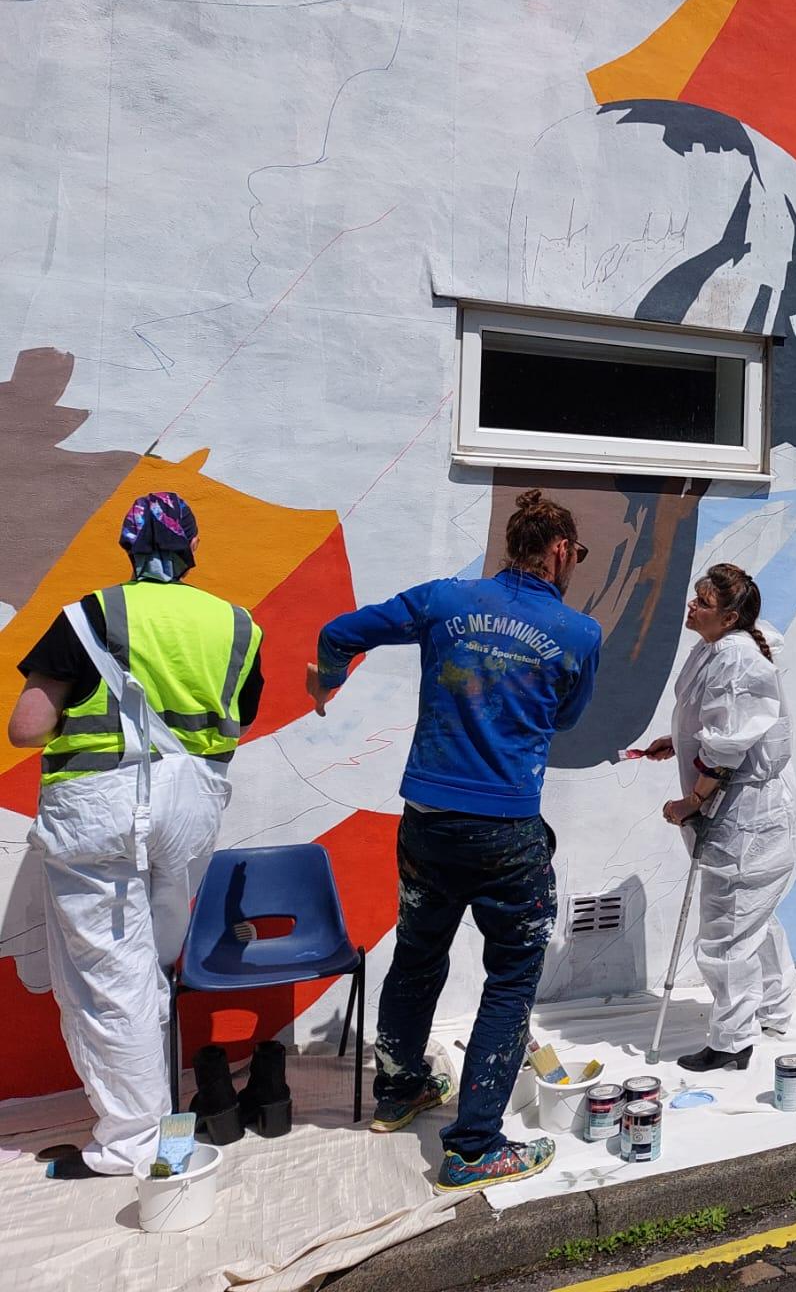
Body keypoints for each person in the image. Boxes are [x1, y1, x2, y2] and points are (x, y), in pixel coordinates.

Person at [308, 488, 600, 1194]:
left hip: (428, 824)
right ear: (559, 551)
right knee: (509, 979)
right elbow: (568, 715)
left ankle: (401, 1088)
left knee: (416, 954)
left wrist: (326, 682)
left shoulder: (444, 601)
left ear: (512, 545)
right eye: (578, 555)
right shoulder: (577, 633)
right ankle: (473, 1145)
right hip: (505, 833)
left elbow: (341, 630)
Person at [9, 493, 263, 1179]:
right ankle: (156, 1112)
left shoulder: (89, 615)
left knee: (107, 981)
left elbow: (26, 728)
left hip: (101, 815)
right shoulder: (236, 625)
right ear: (191, 552)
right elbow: (240, 714)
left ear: (127, 549)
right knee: (148, 965)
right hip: (187, 814)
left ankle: (132, 1144)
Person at [639, 564, 796, 1072]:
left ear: (729, 616)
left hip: (743, 813)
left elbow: (729, 745)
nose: (691, 607)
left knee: (725, 929)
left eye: (702, 603)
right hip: (747, 807)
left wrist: (693, 799)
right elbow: (719, 725)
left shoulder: (737, 658)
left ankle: (733, 1040)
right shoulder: (718, 648)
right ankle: (774, 1006)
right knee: (754, 915)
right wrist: (681, 742)